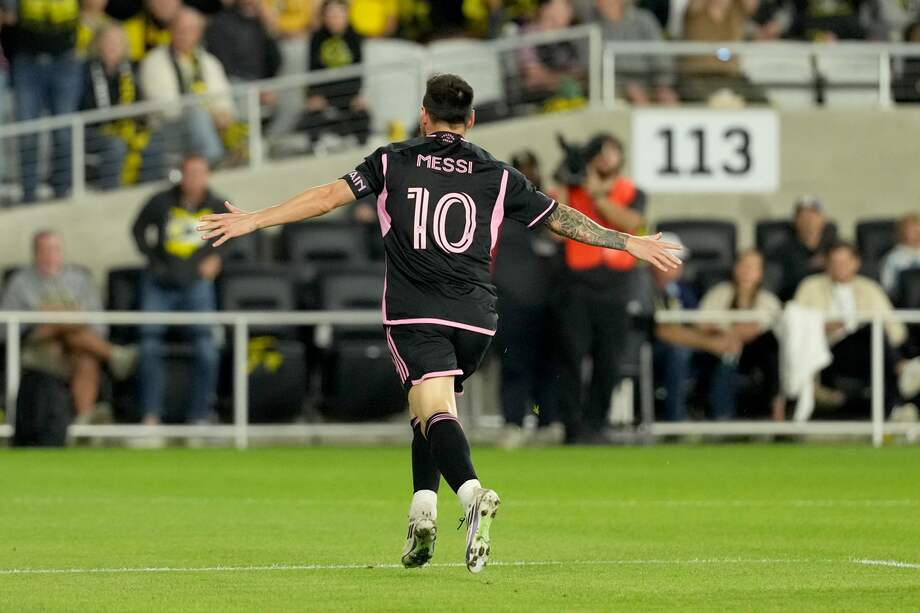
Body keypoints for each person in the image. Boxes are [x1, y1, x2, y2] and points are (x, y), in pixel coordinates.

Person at [196, 74, 681, 573]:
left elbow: (327, 197)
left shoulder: (393, 160)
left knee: (433, 409)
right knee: (428, 408)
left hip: (417, 311)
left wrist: (255, 219)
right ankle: (422, 514)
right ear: (470, 120)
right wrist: (627, 241)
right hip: (477, 319)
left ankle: (471, 495)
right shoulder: (498, 174)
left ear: (424, 115)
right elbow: (561, 217)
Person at [555, 133, 646, 443]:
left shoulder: (631, 191)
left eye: (612, 152)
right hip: (577, 287)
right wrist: (566, 178)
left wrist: (598, 196)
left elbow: (630, 222)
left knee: (610, 360)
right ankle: (572, 426)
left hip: (615, 288)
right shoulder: (572, 189)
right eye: (599, 154)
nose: (605, 159)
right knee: (571, 357)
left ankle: (597, 424)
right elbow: (555, 228)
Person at [0, 231, 137, 424]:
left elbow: (99, 326)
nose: (50, 255)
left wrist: (61, 317)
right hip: (39, 346)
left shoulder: (80, 279)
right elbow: (4, 330)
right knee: (63, 318)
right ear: (34, 253)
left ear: (61, 252)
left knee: (87, 358)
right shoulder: (20, 282)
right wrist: (46, 318)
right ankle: (114, 354)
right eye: (44, 250)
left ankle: (83, 423)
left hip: (78, 348)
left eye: (54, 249)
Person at [132, 155, 226, 426]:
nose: (195, 179)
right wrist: (153, 261)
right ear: (181, 175)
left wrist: (217, 257)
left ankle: (199, 416)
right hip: (159, 285)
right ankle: (150, 415)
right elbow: (137, 230)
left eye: (200, 173)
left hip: (197, 285)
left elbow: (235, 236)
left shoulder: (217, 205)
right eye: (190, 173)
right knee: (148, 346)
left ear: (207, 175)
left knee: (207, 349)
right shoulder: (160, 201)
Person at [492, 150, 563, 449]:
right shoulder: (498, 210)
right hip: (511, 300)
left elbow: (562, 237)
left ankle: (548, 422)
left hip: (549, 301)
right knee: (514, 364)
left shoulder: (547, 207)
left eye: (530, 169)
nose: (526, 175)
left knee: (549, 365)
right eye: (521, 169)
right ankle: (513, 423)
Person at [794, 241, 910, 415]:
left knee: (873, 332)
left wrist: (882, 333)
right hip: (827, 353)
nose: (840, 267)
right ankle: (903, 373)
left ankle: (893, 410)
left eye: (845, 262)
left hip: (867, 352)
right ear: (826, 263)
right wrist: (821, 328)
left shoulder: (870, 288)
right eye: (835, 262)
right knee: (872, 333)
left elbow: (897, 331)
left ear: (856, 263)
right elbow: (795, 329)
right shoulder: (810, 287)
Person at [649, 234, 741, 421]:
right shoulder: (646, 287)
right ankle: (675, 420)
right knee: (679, 352)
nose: (679, 265)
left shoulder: (681, 289)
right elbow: (663, 331)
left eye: (680, 260)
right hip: (652, 351)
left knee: (727, 348)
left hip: (687, 344)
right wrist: (709, 343)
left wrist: (720, 335)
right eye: (673, 259)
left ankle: (721, 417)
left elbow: (697, 321)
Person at [9, 0, 83, 202]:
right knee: (27, 133)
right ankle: (28, 194)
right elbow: (9, 14)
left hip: (65, 61)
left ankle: (62, 192)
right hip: (28, 62)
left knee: (64, 132)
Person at [140, 7, 235, 164]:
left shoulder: (208, 61)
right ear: (170, 31)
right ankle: (215, 163)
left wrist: (221, 113)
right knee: (197, 117)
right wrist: (209, 114)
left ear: (199, 33)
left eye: (191, 30)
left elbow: (223, 97)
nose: (185, 35)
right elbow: (167, 109)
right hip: (167, 129)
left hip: (208, 126)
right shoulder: (154, 62)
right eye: (180, 29)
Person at [698, 249, 783, 420]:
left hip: (755, 353)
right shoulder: (718, 294)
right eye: (743, 265)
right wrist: (732, 333)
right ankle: (721, 417)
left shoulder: (769, 300)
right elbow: (701, 324)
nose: (747, 271)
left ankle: (777, 415)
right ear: (735, 268)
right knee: (724, 353)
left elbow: (764, 327)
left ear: (760, 273)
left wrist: (736, 332)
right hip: (719, 349)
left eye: (753, 267)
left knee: (771, 346)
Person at [80, 23, 164, 189]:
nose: (113, 46)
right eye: (108, 41)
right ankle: (111, 194)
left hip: (127, 127)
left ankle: (148, 193)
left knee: (152, 143)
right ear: (98, 44)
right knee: (115, 145)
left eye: (118, 42)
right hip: (94, 131)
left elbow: (140, 105)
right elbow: (84, 107)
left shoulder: (132, 69)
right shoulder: (85, 70)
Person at [300, 0, 370, 147]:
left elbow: (359, 71)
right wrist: (315, 94)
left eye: (338, 14)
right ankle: (315, 148)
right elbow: (312, 71)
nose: (334, 19)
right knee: (312, 112)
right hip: (324, 93)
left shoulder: (355, 37)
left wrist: (356, 95)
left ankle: (362, 147)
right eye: (330, 14)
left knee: (362, 112)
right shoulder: (317, 38)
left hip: (349, 92)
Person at [678, 0, 768, 105]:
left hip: (731, 77)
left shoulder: (737, 10)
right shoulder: (696, 9)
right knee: (696, 99)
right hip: (697, 77)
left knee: (760, 100)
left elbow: (751, 4)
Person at [595, 0, 679, 105]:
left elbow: (660, 57)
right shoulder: (594, 27)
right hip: (613, 87)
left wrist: (663, 85)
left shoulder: (644, 20)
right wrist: (627, 86)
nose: (601, 3)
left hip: (649, 83)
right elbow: (593, 68)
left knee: (669, 100)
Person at [517, 0, 586, 110]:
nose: (569, 12)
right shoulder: (529, 35)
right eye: (563, 8)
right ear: (546, 9)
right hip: (539, 101)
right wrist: (563, 80)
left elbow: (578, 72)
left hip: (571, 99)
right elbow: (533, 76)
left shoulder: (570, 35)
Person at [768, 194, 836, 302]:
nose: (808, 220)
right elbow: (777, 285)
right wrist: (809, 267)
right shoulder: (782, 251)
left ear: (823, 218)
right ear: (795, 220)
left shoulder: (835, 248)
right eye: (803, 216)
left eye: (812, 215)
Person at [205, 0, 281, 83]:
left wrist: (270, 30)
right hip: (236, 82)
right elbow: (225, 66)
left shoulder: (260, 21)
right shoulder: (221, 22)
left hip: (263, 82)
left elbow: (274, 62)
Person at [880, 213, 920, 298]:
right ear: (902, 232)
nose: (917, 233)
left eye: (919, 229)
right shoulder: (893, 258)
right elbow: (887, 287)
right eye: (913, 230)